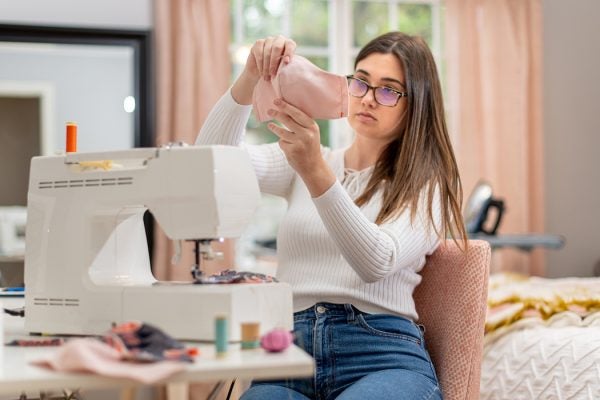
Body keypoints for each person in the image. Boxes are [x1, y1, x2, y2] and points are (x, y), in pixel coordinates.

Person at [196, 32, 467, 400]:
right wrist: (249, 78)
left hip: (379, 354)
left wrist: (314, 171)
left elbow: (377, 260)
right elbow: (210, 162)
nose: (368, 99)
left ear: (416, 104)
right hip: (288, 353)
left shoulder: (428, 184)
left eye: (388, 91)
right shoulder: (300, 161)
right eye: (361, 82)